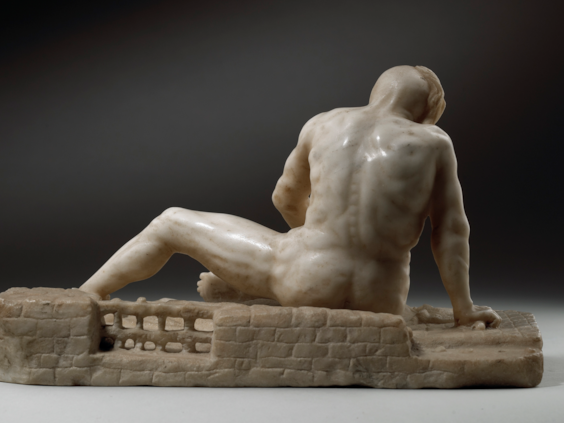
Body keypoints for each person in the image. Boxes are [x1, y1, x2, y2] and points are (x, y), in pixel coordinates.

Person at [80, 66, 500, 327]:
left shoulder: (325, 123)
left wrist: (320, 243)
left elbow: (284, 196)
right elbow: (451, 233)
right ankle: (256, 291)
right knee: (313, 267)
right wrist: (463, 310)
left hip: (304, 278)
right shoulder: (435, 142)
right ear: (427, 109)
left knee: (171, 222)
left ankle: (84, 296)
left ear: (377, 92)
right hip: (383, 296)